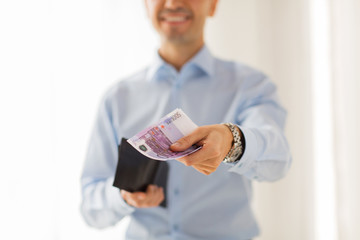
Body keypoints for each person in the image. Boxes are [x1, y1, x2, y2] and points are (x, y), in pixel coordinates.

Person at [80, 0, 292, 239]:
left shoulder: (251, 86)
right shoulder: (116, 99)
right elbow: (90, 208)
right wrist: (123, 196)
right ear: (145, 5)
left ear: (213, 5)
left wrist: (232, 141)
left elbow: (278, 159)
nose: (172, 3)